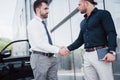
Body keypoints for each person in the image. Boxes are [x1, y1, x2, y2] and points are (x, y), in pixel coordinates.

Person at [62, 0, 117, 80]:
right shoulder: (83, 22)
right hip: (87, 55)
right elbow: (80, 40)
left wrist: (112, 51)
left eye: (79, 4)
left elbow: (111, 32)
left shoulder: (103, 14)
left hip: (101, 54)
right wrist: (67, 48)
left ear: (86, 3)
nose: (78, 7)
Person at [27, 0, 68, 80]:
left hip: (51, 58)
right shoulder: (33, 24)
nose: (48, 11)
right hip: (40, 58)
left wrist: (59, 47)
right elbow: (39, 43)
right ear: (38, 10)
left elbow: (48, 43)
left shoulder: (44, 24)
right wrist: (58, 50)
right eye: (45, 9)